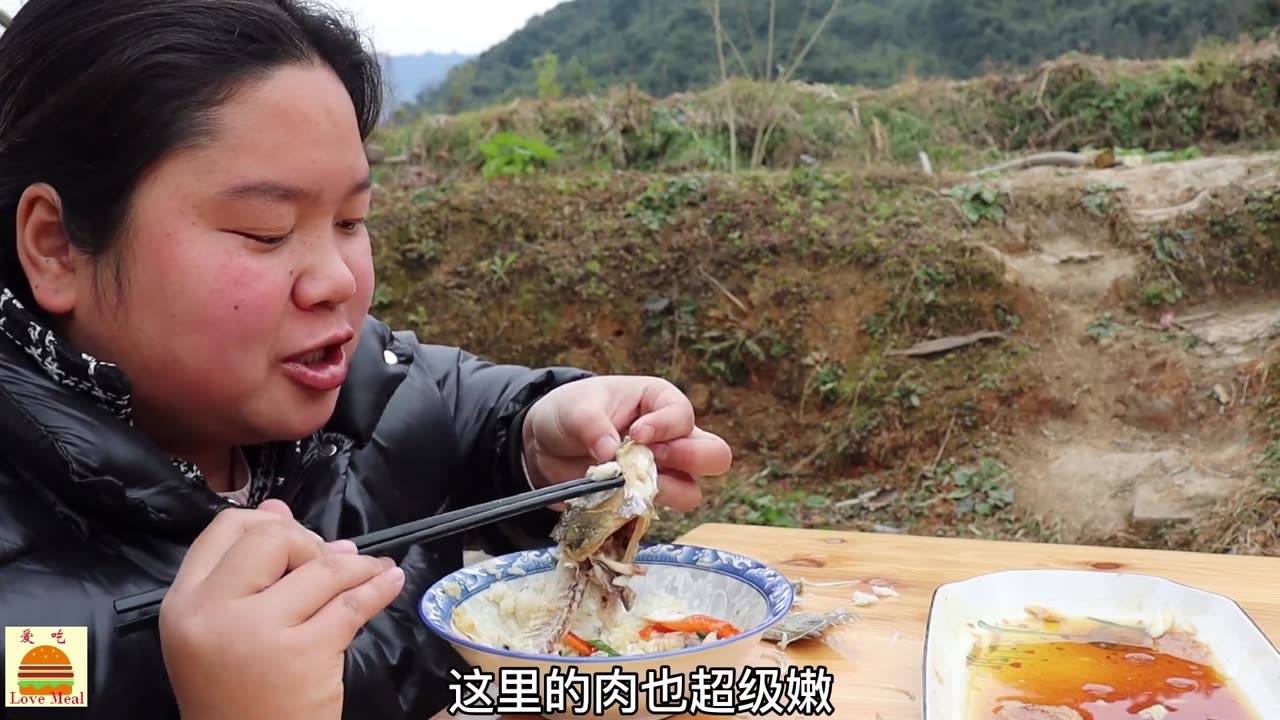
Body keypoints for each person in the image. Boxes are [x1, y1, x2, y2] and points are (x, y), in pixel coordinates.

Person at [0, 1, 732, 718]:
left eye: (351, 220)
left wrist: (536, 442)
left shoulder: (354, 387)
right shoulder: (27, 628)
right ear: (56, 246)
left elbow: (454, 405)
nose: (339, 282)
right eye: (265, 230)